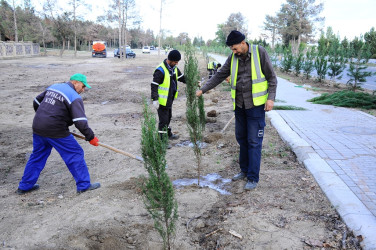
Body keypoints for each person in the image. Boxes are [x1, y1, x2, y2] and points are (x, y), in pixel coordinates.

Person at [196, 30, 277, 190]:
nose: (234, 52)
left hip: (255, 107)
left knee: (254, 141)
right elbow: (219, 75)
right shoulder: (233, 57)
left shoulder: (259, 52)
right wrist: (203, 90)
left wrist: (271, 98)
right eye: (232, 50)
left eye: (235, 48)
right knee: (242, 138)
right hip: (239, 106)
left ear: (242, 42)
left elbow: (272, 77)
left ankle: (253, 178)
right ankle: (244, 170)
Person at [16, 73, 101, 195]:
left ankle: (24, 186)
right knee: (75, 153)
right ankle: (84, 185)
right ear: (75, 82)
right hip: (55, 130)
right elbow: (80, 122)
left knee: (37, 156)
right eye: (83, 86)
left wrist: (44, 117)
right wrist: (91, 137)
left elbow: (36, 101)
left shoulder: (54, 87)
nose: (83, 90)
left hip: (38, 126)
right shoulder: (74, 97)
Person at [151, 49, 186, 147]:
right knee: (163, 121)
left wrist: (193, 82)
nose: (177, 64)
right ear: (169, 60)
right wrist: (155, 99)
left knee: (168, 117)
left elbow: (182, 78)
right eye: (175, 62)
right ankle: (161, 141)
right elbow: (154, 85)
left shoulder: (173, 68)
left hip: (169, 99)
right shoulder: (160, 70)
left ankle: (168, 134)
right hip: (162, 102)